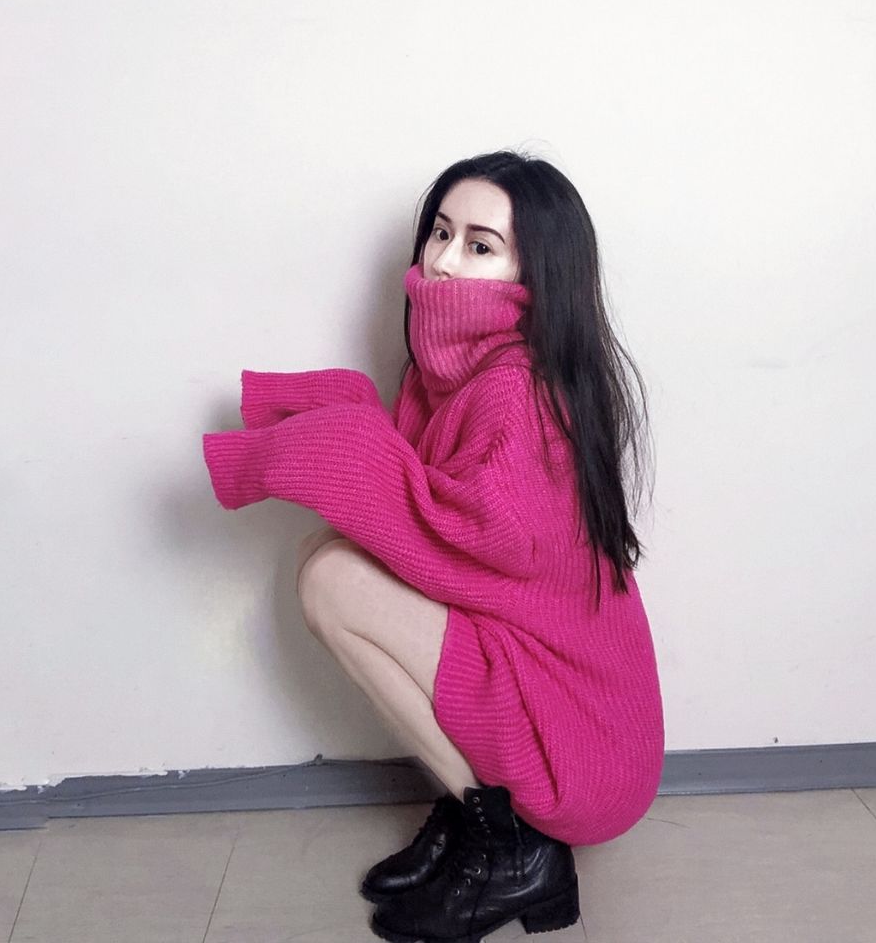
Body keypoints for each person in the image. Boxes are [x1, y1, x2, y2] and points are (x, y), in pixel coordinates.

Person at [202, 150, 665, 942]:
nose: (444, 261)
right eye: (441, 233)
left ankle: (516, 850)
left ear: (535, 272)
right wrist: (334, 416)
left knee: (333, 580)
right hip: (539, 683)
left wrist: (323, 448)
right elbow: (429, 513)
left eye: (481, 246)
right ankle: (476, 813)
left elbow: (467, 538)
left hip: (583, 743)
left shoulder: (518, 390)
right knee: (323, 561)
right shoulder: (456, 368)